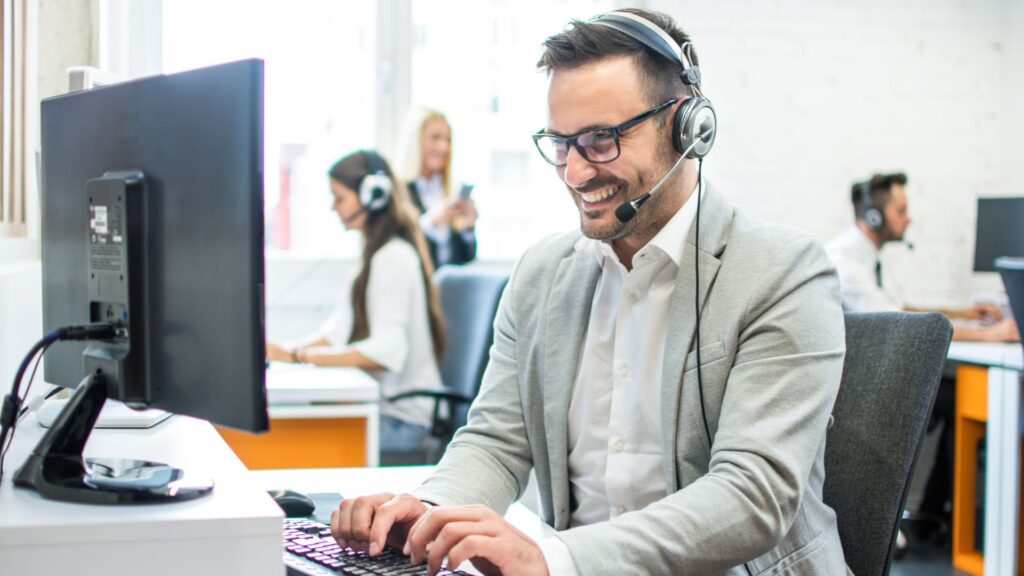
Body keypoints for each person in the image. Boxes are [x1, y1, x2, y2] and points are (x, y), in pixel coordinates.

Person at [333, 9, 851, 575]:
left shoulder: (783, 272)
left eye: (601, 140)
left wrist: (553, 559)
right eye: (561, 144)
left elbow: (754, 495)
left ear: (686, 126)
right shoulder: (542, 274)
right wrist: (433, 513)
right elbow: (496, 441)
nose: (575, 173)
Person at [266, 150, 447, 458]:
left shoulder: (393, 257)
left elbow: (386, 352)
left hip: (404, 423)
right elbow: (336, 332)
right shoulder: (371, 255)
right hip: (383, 411)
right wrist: (281, 352)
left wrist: (296, 355)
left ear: (373, 196)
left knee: (295, 443)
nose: (333, 207)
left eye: (339, 198)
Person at [824, 172, 1019, 342]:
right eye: (901, 211)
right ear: (874, 218)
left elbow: (899, 309)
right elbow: (899, 325)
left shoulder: (863, 256)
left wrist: (965, 314)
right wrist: (990, 334)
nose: (908, 219)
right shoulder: (846, 265)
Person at [399, 108, 478, 268]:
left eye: (448, 139)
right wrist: (430, 222)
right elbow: (399, 247)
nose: (444, 147)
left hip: (450, 287)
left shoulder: (452, 190)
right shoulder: (400, 192)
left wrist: (468, 227)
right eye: (435, 138)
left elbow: (467, 256)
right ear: (416, 141)